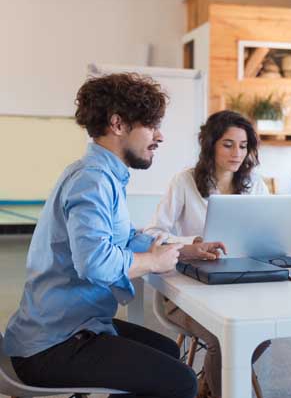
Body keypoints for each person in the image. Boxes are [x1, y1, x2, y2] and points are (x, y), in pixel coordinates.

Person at [4, 73, 222, 397]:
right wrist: (151, 261)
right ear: (118, 124)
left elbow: (122, 238)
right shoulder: (92, 180)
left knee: (167, 351)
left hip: (71, 327)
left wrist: (181, 250)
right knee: (181, 382)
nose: (160, 136)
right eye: (151, 125)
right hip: (52, 344)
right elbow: (95, 263)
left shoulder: (102, 174)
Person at [145, 110, 269, 398]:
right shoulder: (184, 182)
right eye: (228, 144)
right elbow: (152, 233)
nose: (237, 153)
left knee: (263, 333)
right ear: (210, 144)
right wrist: (193, 242)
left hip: (240, 286)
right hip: (187, 289)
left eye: (243, 145)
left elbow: (265, 232)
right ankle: (220, 390)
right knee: (222, 337)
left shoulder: (255, 185)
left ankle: (211, 389)